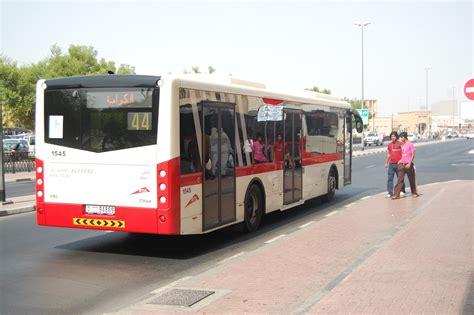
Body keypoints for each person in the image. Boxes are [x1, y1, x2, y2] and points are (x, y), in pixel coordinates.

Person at [392, 132, 420, 199]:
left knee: (411, 179)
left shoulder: (410, 144)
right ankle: (396, 194)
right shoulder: (402, 145)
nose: (401, 139)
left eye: (401, 137)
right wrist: (400, 161)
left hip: (408, 164)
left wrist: (410, 163)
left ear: (405, 137)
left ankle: (414, 193)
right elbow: (403, 154)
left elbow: (413, 155)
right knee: (399, 180)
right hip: (402, 164)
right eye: (400, 138)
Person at [384, 131, 406, 198]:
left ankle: (402, 191)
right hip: (391, 163)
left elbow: (404, 153)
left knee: (400, 178)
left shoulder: (400, 144)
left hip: (399, 163)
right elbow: (388, 154)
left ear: (396, 137)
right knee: (390, 178)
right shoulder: (389, 145)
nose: (393, 137)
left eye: (394, 136)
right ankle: (390, 192)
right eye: (392, 136)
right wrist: (386, 163)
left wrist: (403, 161)